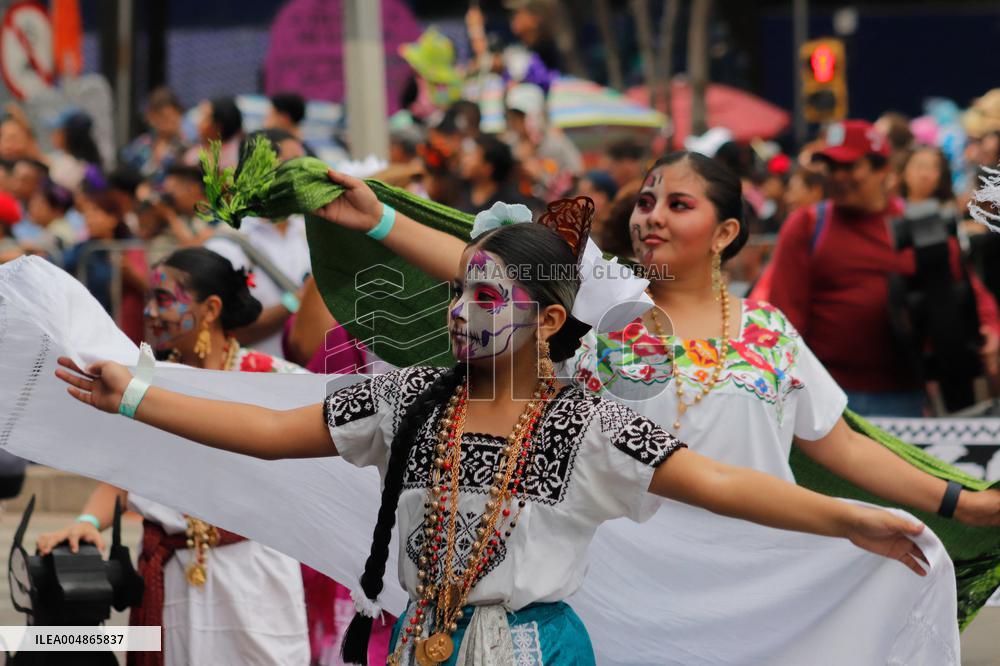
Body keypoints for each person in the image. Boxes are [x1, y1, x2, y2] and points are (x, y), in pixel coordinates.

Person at [54, 205, 933, 666]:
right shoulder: (407, 400)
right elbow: (269, 430)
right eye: (456, 295)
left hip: (535, 650)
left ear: (551, 320)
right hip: (418, 643)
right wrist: (136, 397)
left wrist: (847, 521)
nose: (458, 314)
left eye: (485, 298)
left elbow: (717, 482)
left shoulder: (584, 421)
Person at [310, 156, 999, 663]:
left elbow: (840, 446)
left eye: (678, 204)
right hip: (629, 582)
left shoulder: (771, 333)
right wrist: (382, 222)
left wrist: (959, 504)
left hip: (757, 581)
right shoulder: (602, 309)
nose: (652, 217)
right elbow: (484, 270)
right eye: (645, 201)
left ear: (726, 230)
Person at [37, 247, 310, 666]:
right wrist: (86, 523)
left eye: (163, 300)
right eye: (149, 299)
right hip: (172, 581)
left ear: (211, 308)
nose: (149, 312)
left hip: (254, 580)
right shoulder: (141, 383)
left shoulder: (276, 380)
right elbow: (122, 474)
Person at [768, 120, 1000, 416]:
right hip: (827, 398)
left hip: (907, 398)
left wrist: (989, 329)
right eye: (831, 167)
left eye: (849, 167)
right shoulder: (806, 226)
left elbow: (970, 292)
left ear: (882, 170)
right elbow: (785, 319)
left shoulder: (920, 224)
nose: (837, 177)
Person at [205, 129, 311, 358]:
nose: (304, 174)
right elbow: (226, 329)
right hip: (254, 383)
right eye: (292, 164)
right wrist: (297, 301)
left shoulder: (308, 232)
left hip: (314, 380)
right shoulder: (226, 245)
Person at [65, 189, 147, 343]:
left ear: (113, 219)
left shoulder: (130, 247)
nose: (89, 219)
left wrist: (129, 272)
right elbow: (60, 263)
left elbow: (147, 287)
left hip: (123, 326)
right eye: (86, 214)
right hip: (88, 326)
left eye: (95, 212)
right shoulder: (81, 250)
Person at [454, 134, 538, 215]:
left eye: (471, 156)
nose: (464, 161)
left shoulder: (510, 204)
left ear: (488, 167)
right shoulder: (459, 191)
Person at [120, 86, 189, 182]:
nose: (168, 122)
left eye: (172, 117)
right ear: (151, 117)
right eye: (163, 117)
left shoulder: (186, 147)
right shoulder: (140, 146)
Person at [183, 97, 243, 169]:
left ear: (218, 126)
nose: (198, 122)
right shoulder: (193, 153)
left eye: (205, 117)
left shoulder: (235, 158)